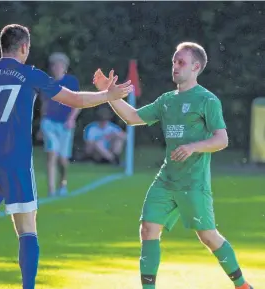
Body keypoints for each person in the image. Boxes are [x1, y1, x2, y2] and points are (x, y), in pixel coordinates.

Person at [0, 24, 133, 289]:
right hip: (16, 161)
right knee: (26, 229)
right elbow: (75, 100)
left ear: (2, 46)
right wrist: (107, 95)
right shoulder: (30, 74)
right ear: (24, 47)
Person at [93, 42, 253, 289]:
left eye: (181, 62)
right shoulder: (167, 100)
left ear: (196, 67)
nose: (175, 66)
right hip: (166, 180)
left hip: (193, 183)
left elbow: (222, 139)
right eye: (174, 61)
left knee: (208, 236)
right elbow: (133, 117)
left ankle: (242, 285)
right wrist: (108, 95)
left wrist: (192, 147)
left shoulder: (207, 100)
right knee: (147, 229)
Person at [39, 52, 80, 196]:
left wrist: (71, 118)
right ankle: (51, 190)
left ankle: (62, 183)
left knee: (63, 159)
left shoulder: (71, 82)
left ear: (65, 68)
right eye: (54, 65)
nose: (57, 68)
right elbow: (44, 103)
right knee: (52, 153)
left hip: (65, 124)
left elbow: (78, 102)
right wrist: (41, 125)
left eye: (60, 65)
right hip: (49, 122)